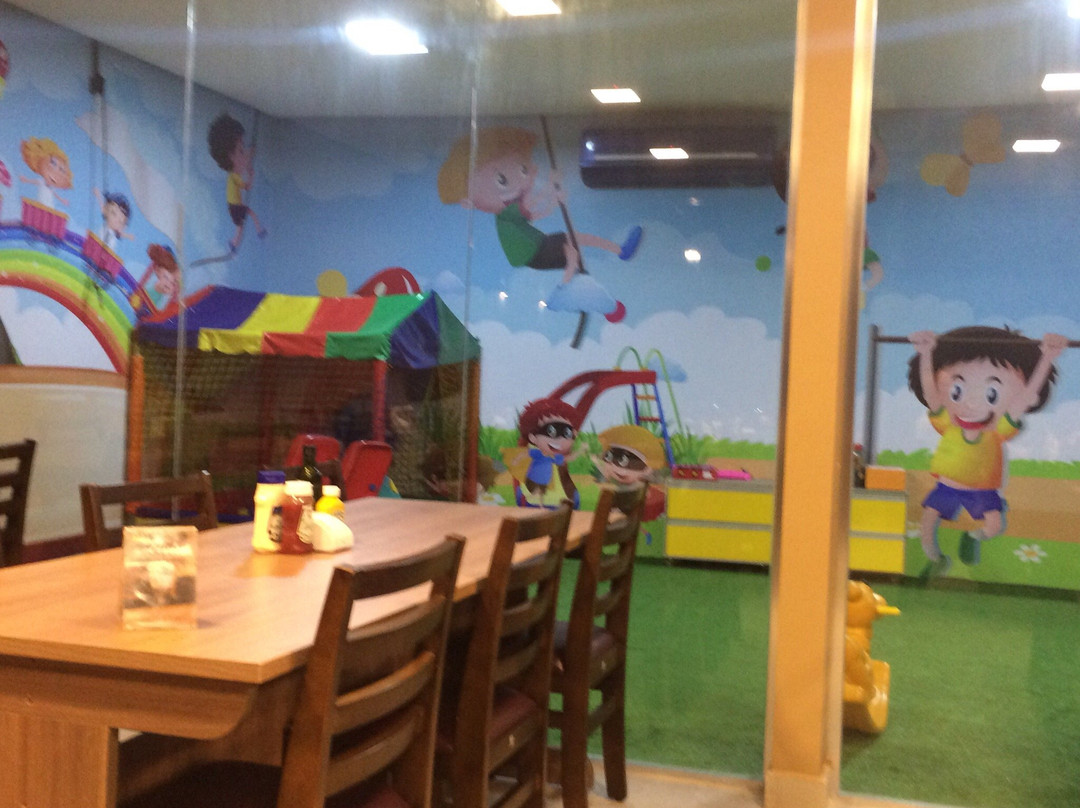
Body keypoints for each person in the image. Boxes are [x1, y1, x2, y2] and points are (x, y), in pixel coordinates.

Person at [437, 126, 641, 321]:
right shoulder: (506, 213)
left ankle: (615, 260)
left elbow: (535, 211)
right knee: (572, 252)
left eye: (523, 170)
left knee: (574, 242)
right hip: (534, 253)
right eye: (502, 179)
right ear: (468, 201)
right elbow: (533, 207)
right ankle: (575, 289)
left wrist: (553, 195)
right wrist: (552, 190)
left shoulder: (511, 211)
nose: (520, 183)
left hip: (539, 247)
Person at [907, 326, 1067, 575]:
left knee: (993, 526)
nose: (972, 404)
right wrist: (926, 353)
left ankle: (973, 537)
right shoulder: (947, 423)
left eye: (991, 394)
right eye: (957, 391)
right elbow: (930, 390)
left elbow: (1026, 395)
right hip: (947, 487)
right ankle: (936, 559)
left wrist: (1047, 357)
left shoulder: (997, 430)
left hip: (981, 490)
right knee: (928, 522)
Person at [207, 112, 267, 252]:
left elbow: (244, 160)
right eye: (240, 150)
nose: (243, 153)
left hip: (233, 206)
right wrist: (251, 176)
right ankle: (257, 232)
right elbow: (247, 186)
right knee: (247, 218)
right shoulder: (234, 177)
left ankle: (235, 243)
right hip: (235, 206)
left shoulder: (232, 176)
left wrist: (250, 152)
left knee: (241, 225)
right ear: (231, 156)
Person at [19, 137, 72, 209]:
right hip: (41, 203)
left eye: (61, 170)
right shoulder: (41, 181)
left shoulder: (52, 188)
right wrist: (25, 180)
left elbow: (55, 194)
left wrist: (62, 200)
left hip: (49, 205)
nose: (55, 172)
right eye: (53, 163)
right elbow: (33, 181)